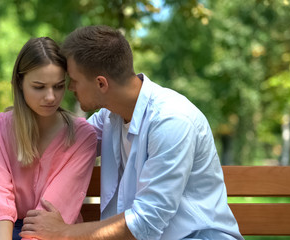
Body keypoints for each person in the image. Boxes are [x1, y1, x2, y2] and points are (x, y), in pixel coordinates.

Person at [20, 26, 244, 240]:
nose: (70, 88)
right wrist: (18, 116)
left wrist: (63, 233)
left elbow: (146, 222)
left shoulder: (171, 121)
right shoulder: (109, 117)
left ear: (101, 83)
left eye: (75, 80)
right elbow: (63, 139)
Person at [0, 37, 97, 240]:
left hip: (56, 231)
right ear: (19, 83)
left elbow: (53, 208)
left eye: (58, 86)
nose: (50, 97)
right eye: (39, 87)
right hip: (6, 232)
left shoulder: (82, 136)